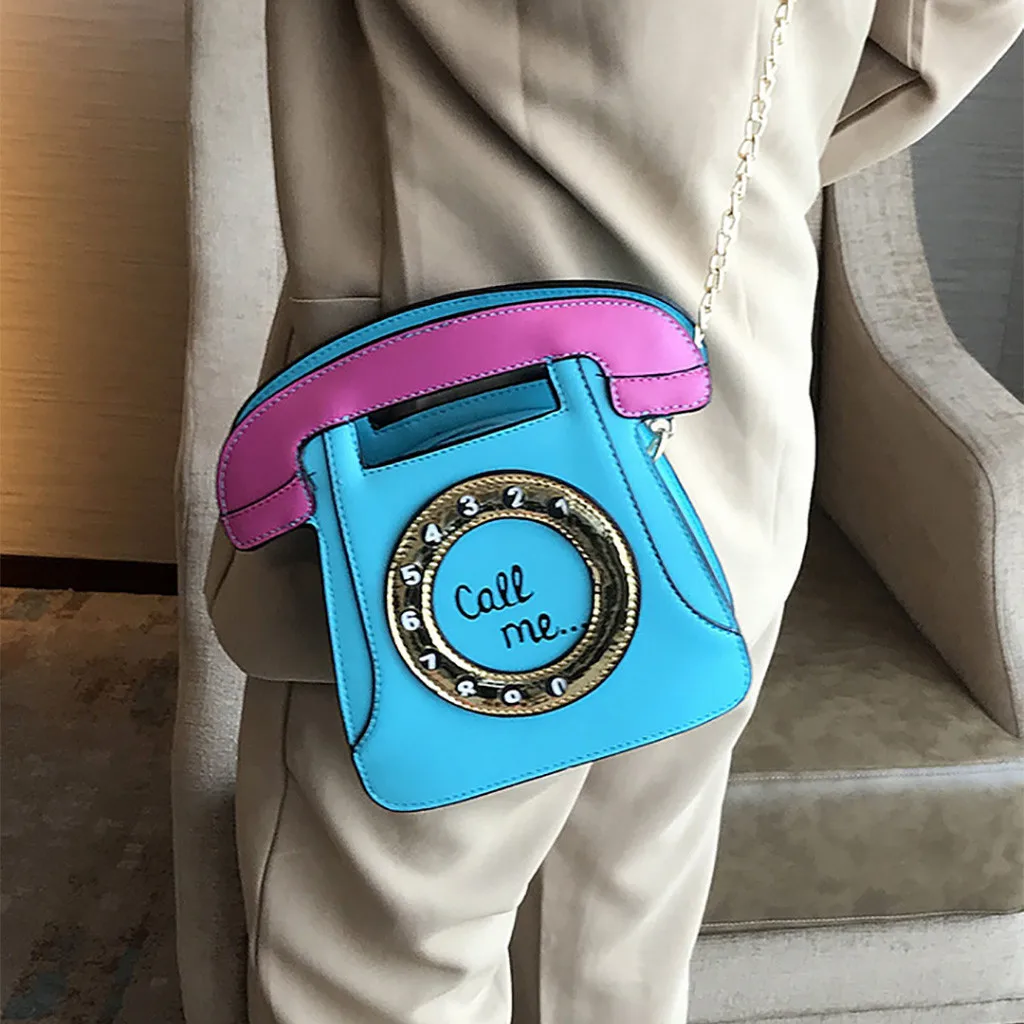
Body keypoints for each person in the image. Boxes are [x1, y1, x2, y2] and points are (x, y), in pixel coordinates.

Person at [186, 1, 1024, 1021]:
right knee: (618, 936)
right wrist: (723, 160)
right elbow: (939, 35)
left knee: (383, 967)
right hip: (722, 414)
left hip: (426, 449)